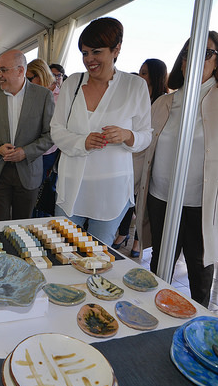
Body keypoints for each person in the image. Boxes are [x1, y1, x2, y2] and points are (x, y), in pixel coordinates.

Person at [135, 31, 218, 307]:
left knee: (200, 269)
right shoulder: (164, 102)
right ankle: (155, 315)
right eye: (189, 54)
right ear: (181, 62)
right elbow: (144, 151)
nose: (195, 60)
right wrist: (132, 187)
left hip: (205, 204)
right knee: (160, 263)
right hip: (161, 197)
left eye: (206, 53)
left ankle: (199, 321)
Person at [50, 17, 151, 246]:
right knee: (60, 248)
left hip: (111, 188)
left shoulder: (135, 86)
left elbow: (146, 134)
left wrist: (128, 135)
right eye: (84, 53)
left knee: (97, 257)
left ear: (116, 49)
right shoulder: (72, 83)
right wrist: (82, 142)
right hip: (72, 184)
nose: (89, 60)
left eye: (96, 52)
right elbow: (56, 130)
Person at [0, 49, 54, 221]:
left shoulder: (43, 96)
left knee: (24, 225)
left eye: (4, 70)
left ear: (20, 70)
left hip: (28, 171)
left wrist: (25, 152)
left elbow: (50, 135)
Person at [112, 58, 168, 256]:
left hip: (152, 159)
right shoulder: (134, 96)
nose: (141, 76)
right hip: (132, 155)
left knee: (142, 201)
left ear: (155, 76)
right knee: (128, 197)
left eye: (144, 73)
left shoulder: (163, 101)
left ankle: (138, 241)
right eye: (140, 72)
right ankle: (123, 233)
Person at [26, 58, 59, 218]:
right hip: (32, 150)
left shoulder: (58, 96)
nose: (27, 82)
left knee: (42, 193)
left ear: (40, 75)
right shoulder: (32, 94)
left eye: (29, 78)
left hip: (48, 152)